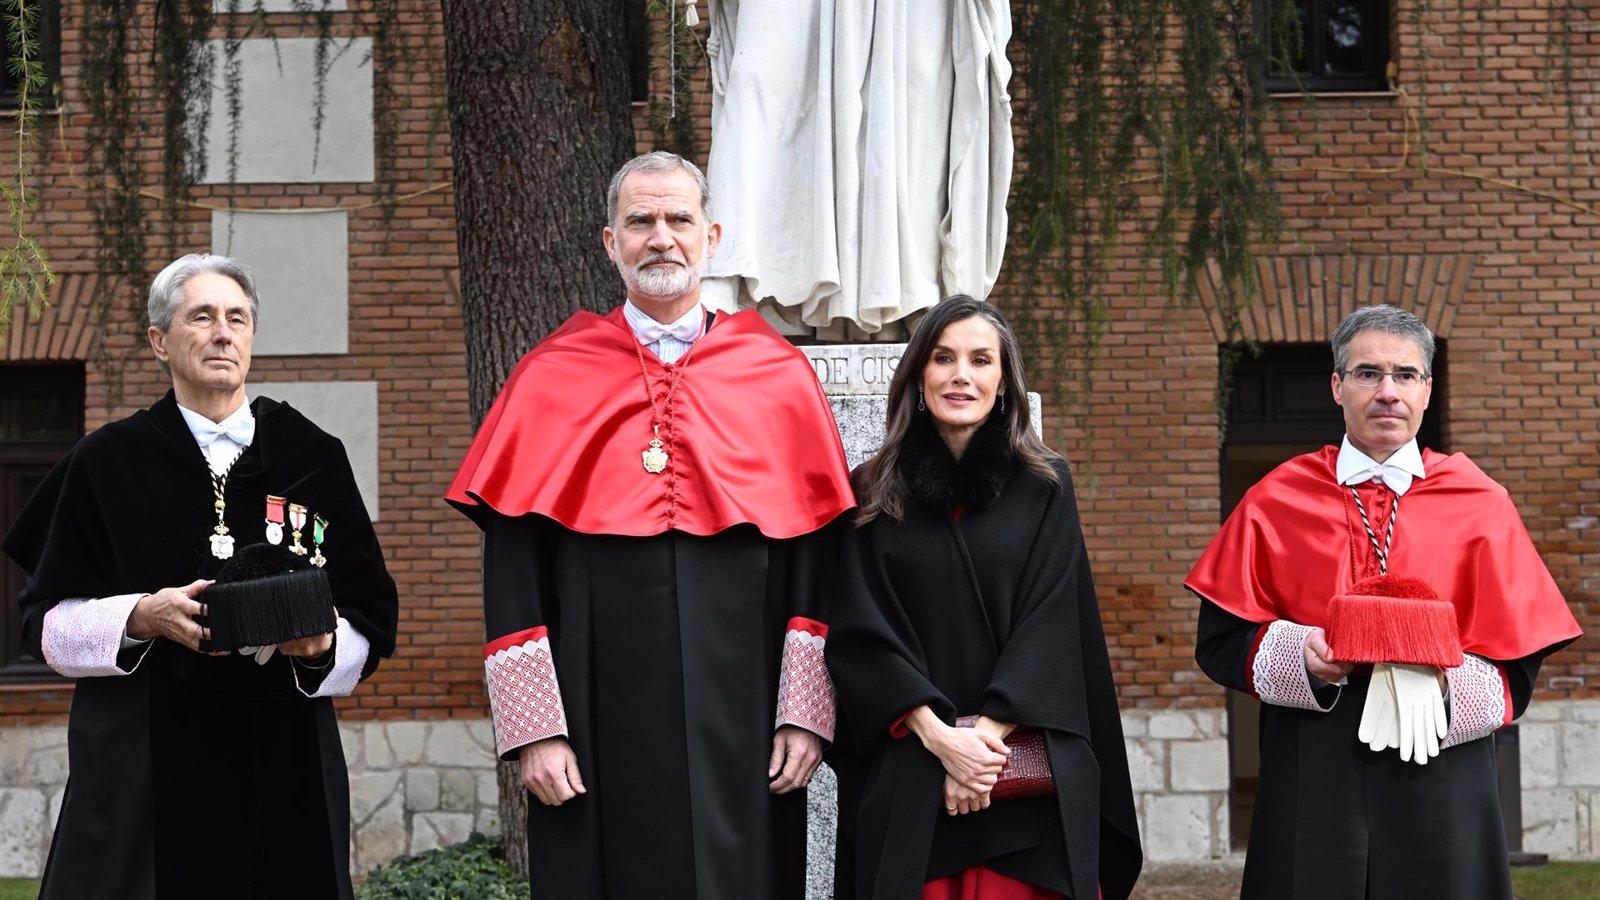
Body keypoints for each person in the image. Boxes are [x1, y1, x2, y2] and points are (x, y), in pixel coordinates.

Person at [445, 151, 855, 900]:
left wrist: (804, 714)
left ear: (712, 236)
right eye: (641, 221)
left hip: (747, 705)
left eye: (678, 219)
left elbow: (814, 559)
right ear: (611, 243)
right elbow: (512, 568)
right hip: (593, 706)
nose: (660, 236)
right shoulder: (551, 374)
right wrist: (536, 728)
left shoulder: (776, 374)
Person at [2, 253, 399, 900]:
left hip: (283, 766)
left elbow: (372, 619)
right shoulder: (106, 462)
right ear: (160, 341)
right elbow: (42, 629)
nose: (223, 333)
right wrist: (140, 616)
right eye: (203, 316)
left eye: (237, 319)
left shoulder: (311, 456)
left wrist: (322, 646)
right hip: (142, 772)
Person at [1187, 304, 1582, 899]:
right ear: (1338, 387)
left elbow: (1519, 661)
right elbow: (1221, 640)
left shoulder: (1481, 502)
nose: (1387, 392)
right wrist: (1303, 658)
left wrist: (1446, 683)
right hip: (1314, 764)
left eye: (1405, 375)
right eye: (1368, 374)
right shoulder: (1277, 497)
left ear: (1427, 390)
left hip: (1442, 768)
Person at [826, 295, 1142, 900]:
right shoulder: (872, 491)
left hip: (1022, 763)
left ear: (1004, 382)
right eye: (944, 359)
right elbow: (862, 631)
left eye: (980, 360)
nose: (961, 376)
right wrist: (943, 740)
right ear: (920, 376)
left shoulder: (1045, 485)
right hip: (913, 761)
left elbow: (1052, 621)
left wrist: (981, 747)